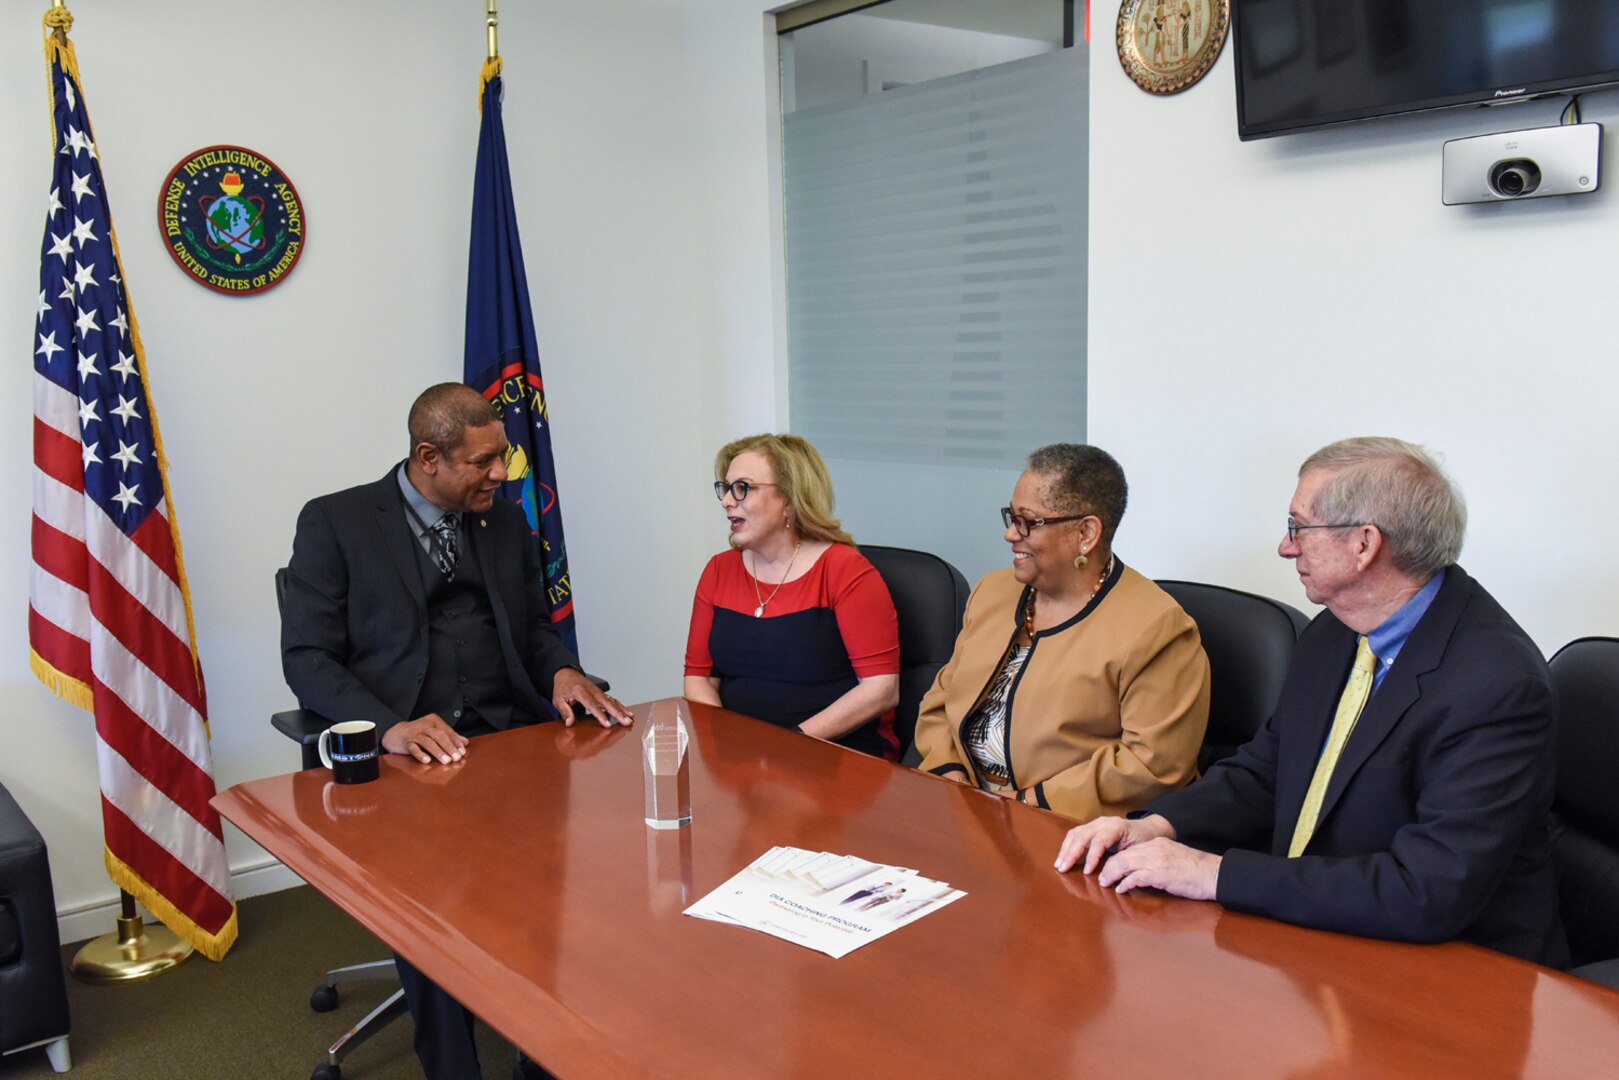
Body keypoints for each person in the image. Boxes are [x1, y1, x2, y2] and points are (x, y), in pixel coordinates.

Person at [1055, 437, 1568, 967]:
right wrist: (1153, 825)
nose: (1285, 546)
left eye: (1299, 526)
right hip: (1320, 935)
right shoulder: (1335, 632)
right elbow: (1267, 770)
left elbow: (1426, 891)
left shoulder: (1496, 685)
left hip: (1461, 973)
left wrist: (1214, 874)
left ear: (1364, 544)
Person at [281, 382, 633, 1080]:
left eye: (501, 458)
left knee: (581, 879)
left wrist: (563, 672)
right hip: (409, 757)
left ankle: (547, 1049)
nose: (500, 476)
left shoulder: (503, 525)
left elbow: (535, 630)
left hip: (514, 738)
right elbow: (307, 659)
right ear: (427, 457)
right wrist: (390, 728)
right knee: (430, 914)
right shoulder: (336, 523)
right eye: (483, 462)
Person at [913, 444, 1210, 820]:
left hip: (1073, 830)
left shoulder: (1158, 629)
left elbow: (1153, 763)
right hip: (963, 812)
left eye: (1028, 521)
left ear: (1086, 533)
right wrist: (951, 777)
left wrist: (1026, 805)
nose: (1010, 534)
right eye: (1010, 515)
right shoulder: (992, 592)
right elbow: (942, 698)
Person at [684, 434, 902, 759]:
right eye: (725, 489)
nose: (727, 501)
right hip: (741, 760)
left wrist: (786, 745)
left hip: (835, 757)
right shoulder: (718, 571)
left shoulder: (845, 570)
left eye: (742, 488)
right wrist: (730, 745)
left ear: (788, 497)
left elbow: (881, 690)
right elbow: (699, 679)